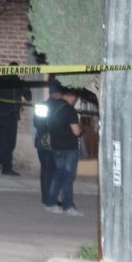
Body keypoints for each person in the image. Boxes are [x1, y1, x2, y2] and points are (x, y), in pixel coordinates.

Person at [47, 86, 84, 216]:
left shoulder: (52, 106)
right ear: (71, 96)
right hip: (69, 147)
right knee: (68, 177)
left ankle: (51, 203)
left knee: (58, 174)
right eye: (75, 98)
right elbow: (76, 131)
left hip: (56, 145)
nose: (75, 101)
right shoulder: (69, 110)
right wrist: (82, 127)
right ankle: (68, 206)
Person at [0, 62, 32, 176]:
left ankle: (6, 167)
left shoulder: (18, 82)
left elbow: (28, 97)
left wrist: (25, 85)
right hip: (3, 116)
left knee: (10, 143)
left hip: (12, 116)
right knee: (3, 143)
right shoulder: (1, 82)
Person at [34, 79, 64, 207]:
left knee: (45, 170)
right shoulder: (61, 106)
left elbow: (36, 123)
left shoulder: (42, 105)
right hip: (55, 142)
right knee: (54, 171)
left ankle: (46, 197)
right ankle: (51, 198)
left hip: (42, 140)